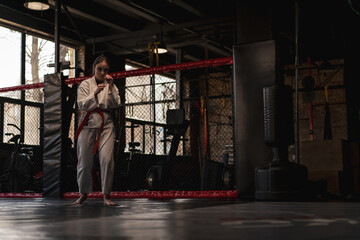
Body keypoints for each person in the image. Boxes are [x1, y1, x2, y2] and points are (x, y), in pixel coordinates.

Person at [74, 54, 120, 206]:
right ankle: (83, 193)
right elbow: (81, 105)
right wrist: (94, 93)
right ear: (93, 68)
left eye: (105, 70)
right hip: (88, 123)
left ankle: (106, 195)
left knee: (107, 160)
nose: (102, 72)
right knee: (84, 162)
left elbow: (115, 104)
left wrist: (111, 87)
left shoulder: (111, 84)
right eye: (99, 69)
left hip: (106, 124)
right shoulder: (85, 84)